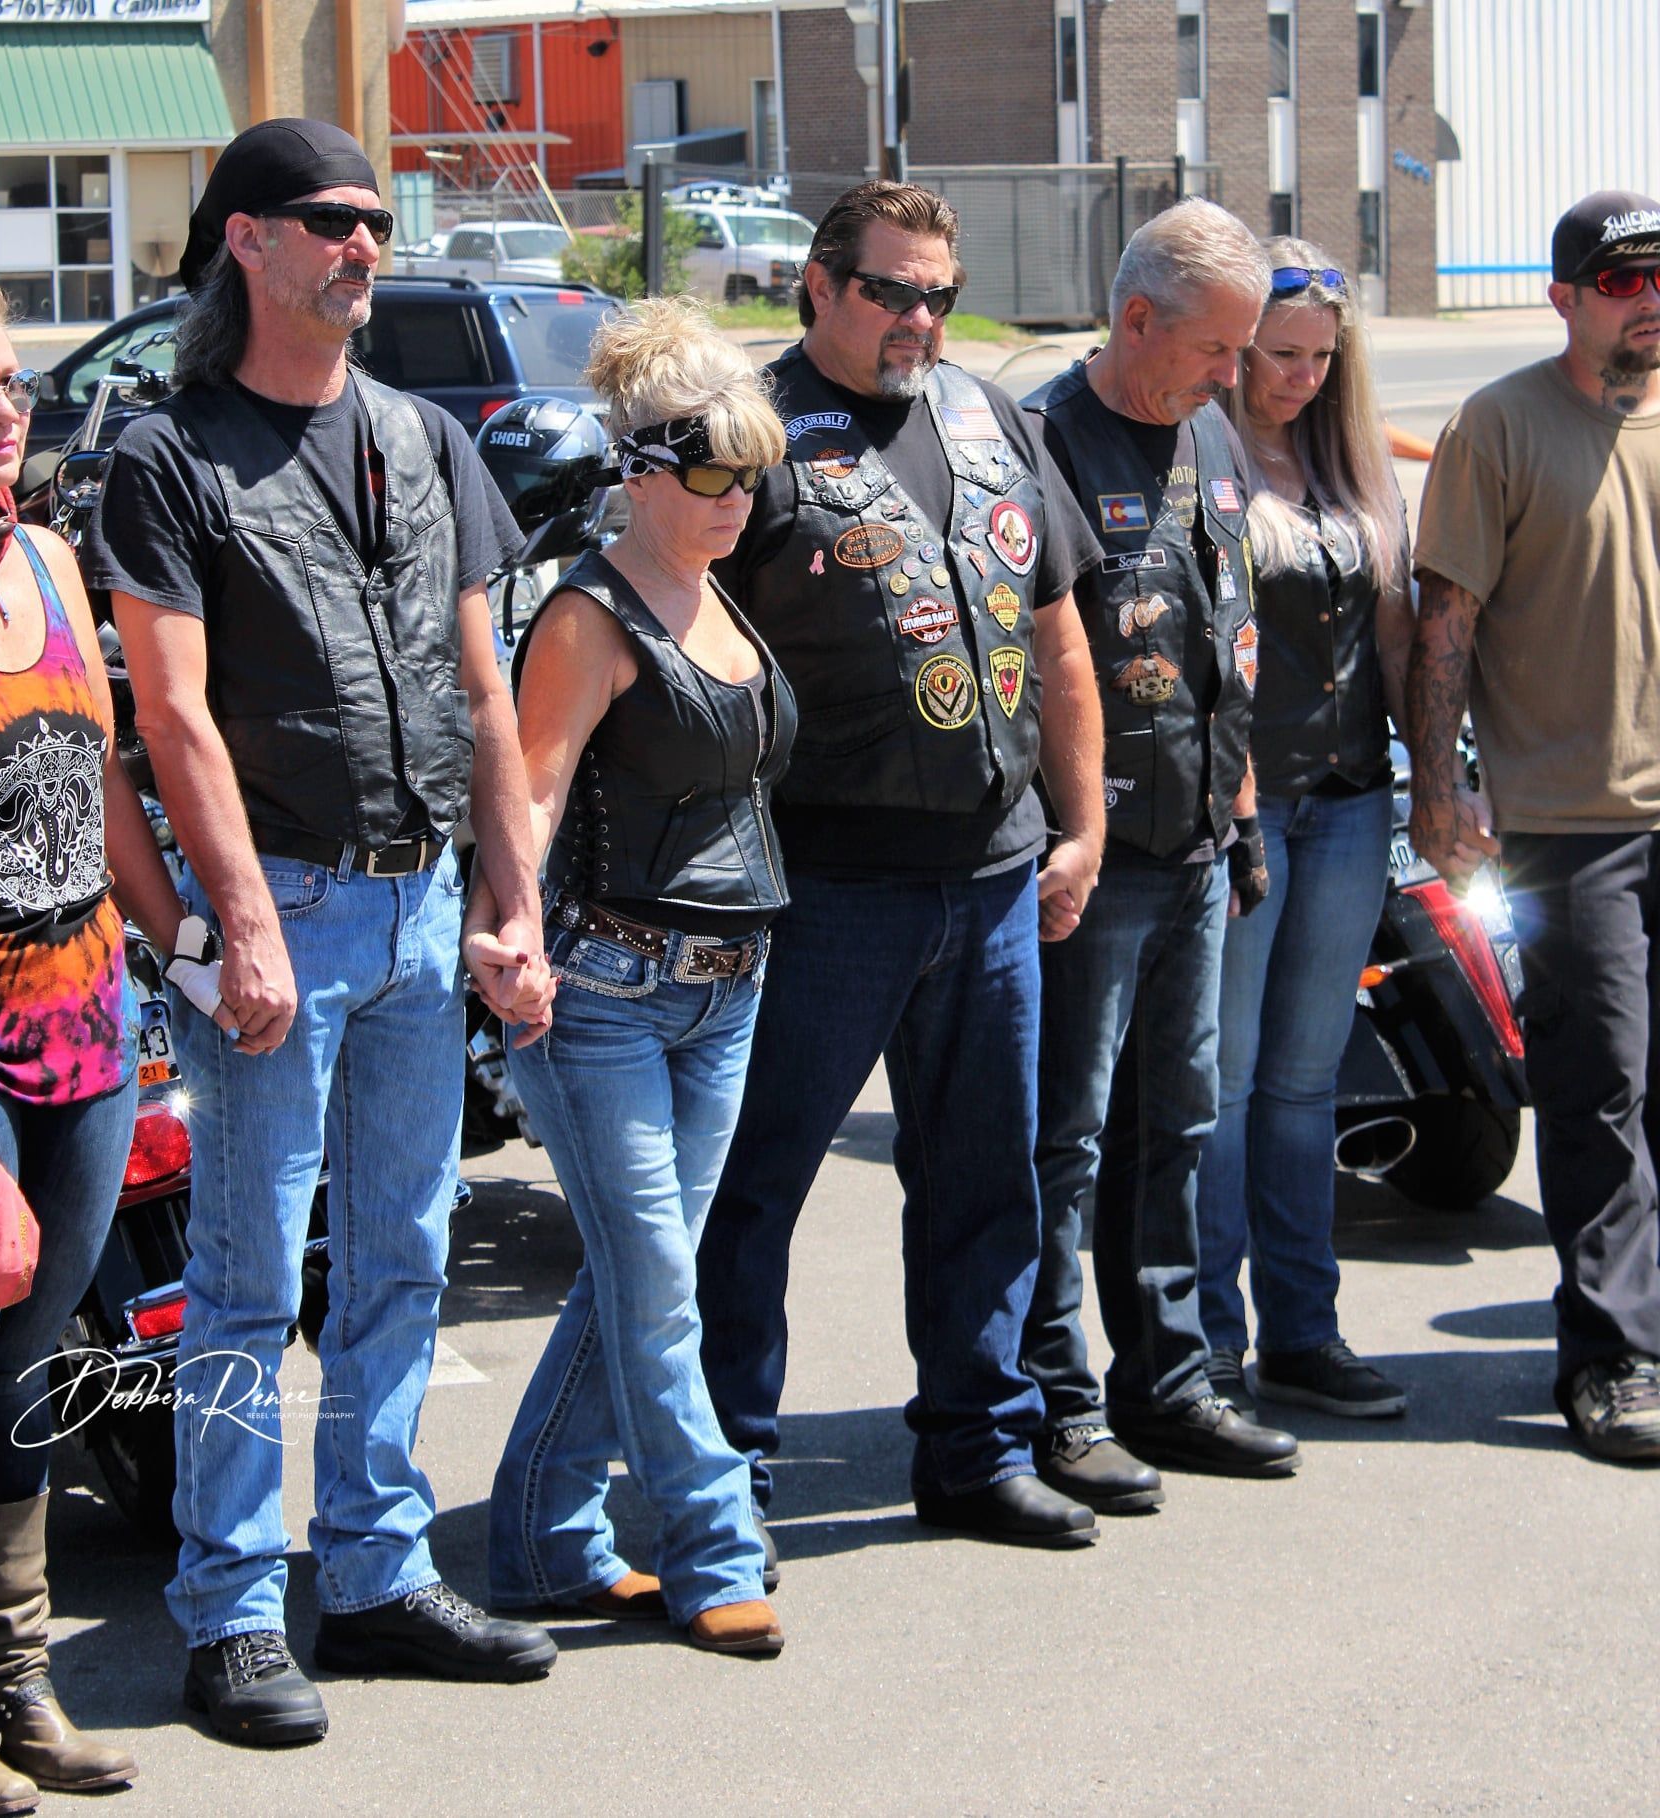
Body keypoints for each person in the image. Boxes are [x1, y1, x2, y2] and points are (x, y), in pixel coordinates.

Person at [85, 119, 558, 1747]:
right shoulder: (167, 452)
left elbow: (483, 690)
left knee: (406, 1252)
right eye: (326, 220)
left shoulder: (426, 439)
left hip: (427, 901)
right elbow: (173, 715)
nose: (361, 244)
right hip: (280, 903)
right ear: (245, 243)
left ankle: (371, 1571)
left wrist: (511, 902)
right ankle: (228, 1608)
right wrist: (236, 923)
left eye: (370, 220)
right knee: (238, 1278)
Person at [695, 178, 1108, 1556]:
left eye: (940, 290)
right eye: (893, 291)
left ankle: (978, 1448)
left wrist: (1083, 822)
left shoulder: (990, 416)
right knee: (754, 1190)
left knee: (990, 1179)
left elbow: (1057, 638)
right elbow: (656, 634)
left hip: (992, 876)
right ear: (818, 285)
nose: (921, 317)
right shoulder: (744, 434)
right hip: (824, 889)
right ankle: (727, 1473)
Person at [484, 299, 793, 1657]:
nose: (740, 497)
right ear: (645, 469)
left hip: (728, 985)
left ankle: (544, 1536)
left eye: (752, 469)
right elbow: (531, 792)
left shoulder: (713, 581)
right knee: (658, 1280)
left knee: (636, 1276)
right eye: (715, 470)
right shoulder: (588, 610)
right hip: (603, 988)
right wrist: (511, 937)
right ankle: (714, 1542)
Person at [0, 264, 186, 1809]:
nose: (7, 410)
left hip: (89, 1022)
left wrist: (189, 945)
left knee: (36, 1359)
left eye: (14, 384)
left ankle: (20, 1686)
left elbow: (100, 789)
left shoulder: (47, 556)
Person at [1023, 199, 1301, 1490]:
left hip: (1194, 838)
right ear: (1138, 319)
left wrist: (1238, 821)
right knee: (1065, 1139)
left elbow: (1217, 652)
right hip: (1095, 854)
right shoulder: (1041, 448)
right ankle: (1054, 1398)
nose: (1233, 376)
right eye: (1217, 350)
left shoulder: (1206, 436)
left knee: (1175, 1123)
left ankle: (1170, 1381)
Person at [1408, 189, 1660, 1462]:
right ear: (1565, 295)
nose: (1650, 299)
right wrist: (1443, 788)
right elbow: (1446, 619)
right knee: (1598, 1086)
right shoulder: (1500, 425)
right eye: (1625, 280)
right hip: (1573, 822)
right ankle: (1612, 1358)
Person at [1193, 243, 1414, 1419]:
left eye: (1323, 358)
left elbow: (1393, 634)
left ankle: (1304, 1331)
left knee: (1305, 1085)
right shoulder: (1205, 451)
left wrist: (1434, 778)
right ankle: (1210, 1342)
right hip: (1247, 805)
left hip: (1350, 803)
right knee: (1222, 1084)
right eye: (1281, 356)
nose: (1301, 379)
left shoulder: (1350, 459)